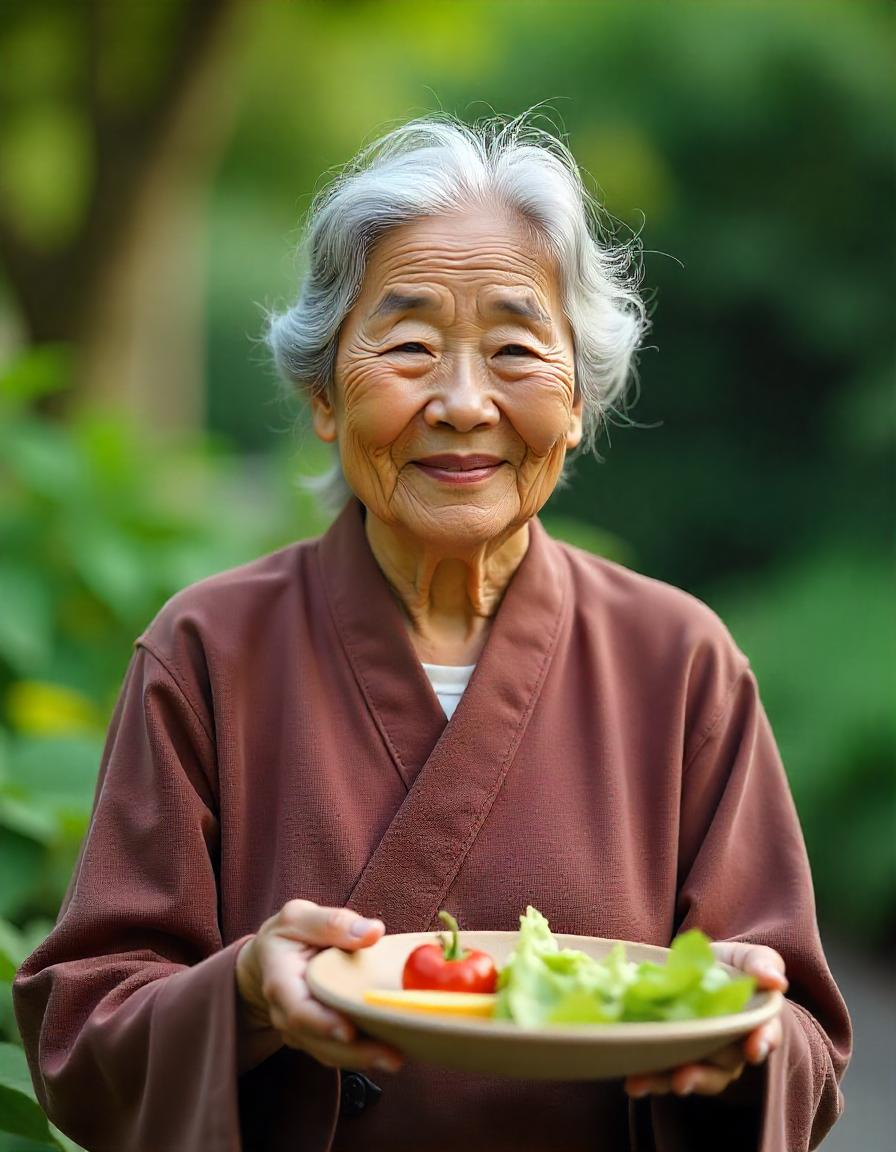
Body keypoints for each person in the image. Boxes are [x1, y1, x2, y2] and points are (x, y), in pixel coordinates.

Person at [13, 114, 850, 1152]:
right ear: (322, 393)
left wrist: (747, 1037)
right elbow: (81, 1032)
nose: (462, 402)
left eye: (512, 348)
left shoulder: (677, 663)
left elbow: (807, 1047)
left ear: (579, 397)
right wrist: (246, 997)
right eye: (408, 346)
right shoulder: (207, 652)